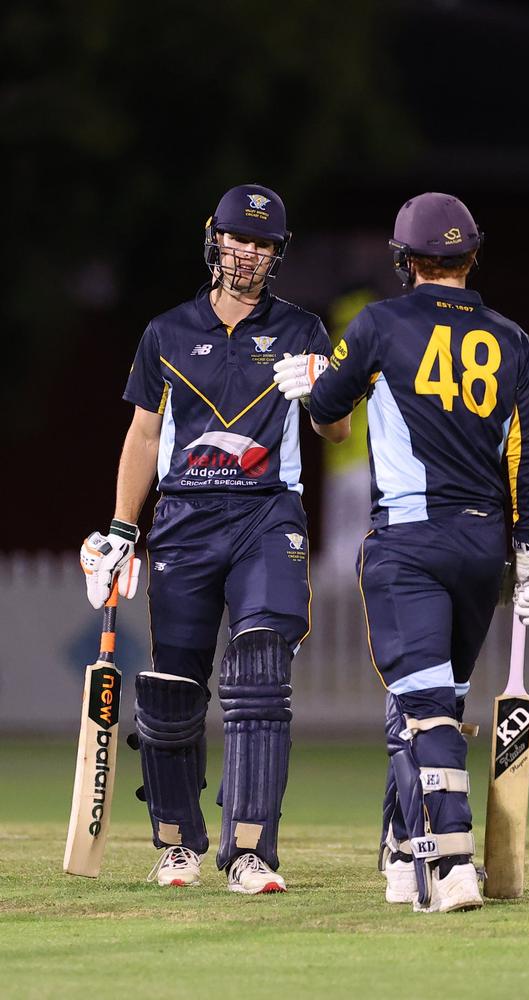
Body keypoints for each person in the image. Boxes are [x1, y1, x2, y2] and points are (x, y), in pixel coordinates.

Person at [274, 192, 529, 913]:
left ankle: (454, 862)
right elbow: (528, 454)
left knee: (426, 709)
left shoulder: (378, 322)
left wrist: (313, 384)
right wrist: (528, 544)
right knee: (424, 702)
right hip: (480, 545)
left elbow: (330, 408)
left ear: (405, 261)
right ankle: (404, 856)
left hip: (410, 542)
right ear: (472, 255)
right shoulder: (513, 338)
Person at [80, 183, 350, 892]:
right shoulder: (166, 332)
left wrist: (324, 389)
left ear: (277, 254)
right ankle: (176, 845)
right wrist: (119, 530)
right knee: (173, 688)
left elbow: (336, 431)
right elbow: (142, 435)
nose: (249, 254)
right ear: (214, 240)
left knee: (261, 671)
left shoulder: (303, 331)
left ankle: (251, 851)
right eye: (239, 239)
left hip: (268, 514)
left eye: (263, 244)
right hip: (184, 519)